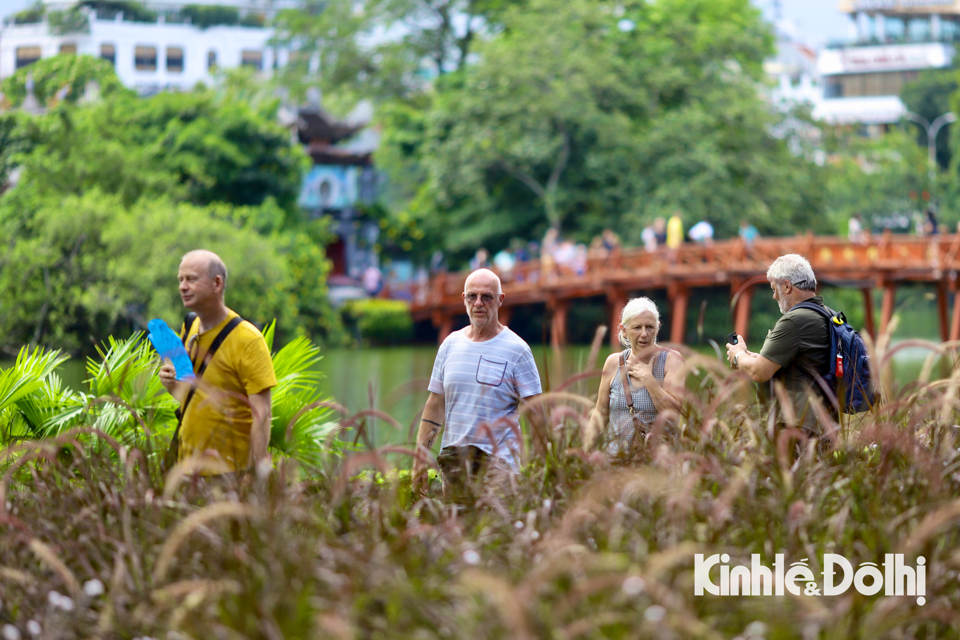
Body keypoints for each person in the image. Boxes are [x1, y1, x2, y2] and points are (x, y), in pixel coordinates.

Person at [412, 269, 544, 499]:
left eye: (487, 297)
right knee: (458, 531)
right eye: (472, 296)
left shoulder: (517, 350)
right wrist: (420, 458)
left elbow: (536, 414)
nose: (478, 303)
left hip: (498, 465)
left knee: (493, 532)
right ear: (464, 299)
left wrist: (542, 470)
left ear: (500, 300)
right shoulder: (450, 345)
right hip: (454, 463)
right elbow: (435, 404)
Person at [159, 250, 277, 475]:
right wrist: (171, 384)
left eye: (191, 279)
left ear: (217, 283)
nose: (183, 286)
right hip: (186, 469)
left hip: (228, 473)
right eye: (180, 280)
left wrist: (254, 475)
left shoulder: (248, 339)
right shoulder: (189, 325)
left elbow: (261, 414)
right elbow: (190, 398)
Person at [725, 254, 837, 442]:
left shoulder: (795, 321)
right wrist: (754, 357)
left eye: (774, 289)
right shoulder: (830, 316)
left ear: (786, 286)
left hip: (797, 427)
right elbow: (804, 363)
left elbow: (759, 372)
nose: (774, 295)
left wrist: (737, 356)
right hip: (826, 425)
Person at [586, 297, 685, 453]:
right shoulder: (613, 363)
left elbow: (672, 414)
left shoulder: (671, 361)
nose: (644, 334)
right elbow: (600, 413)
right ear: (624, 330)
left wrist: (648, 379)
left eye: (650, 327)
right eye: (637, 327)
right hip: (616, 463)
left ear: (658, 328)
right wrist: (584, 454)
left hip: (658, 467)